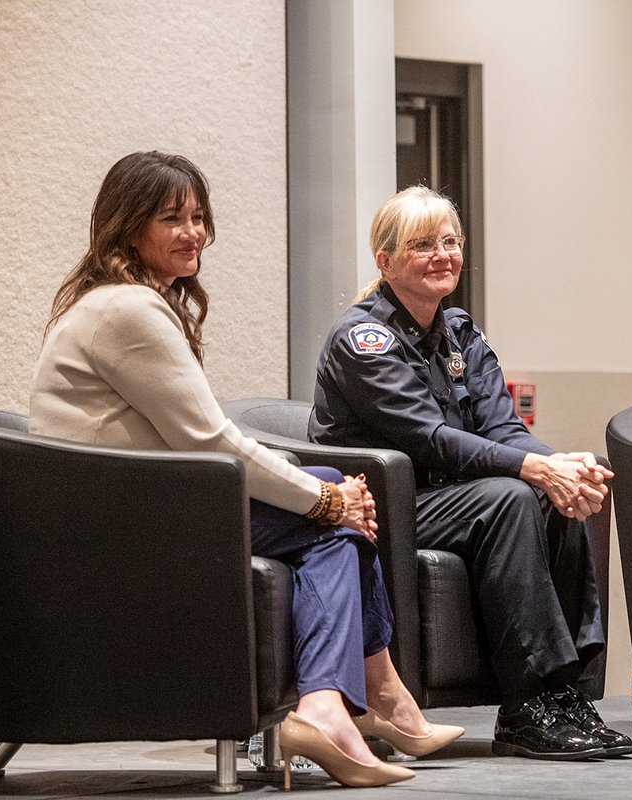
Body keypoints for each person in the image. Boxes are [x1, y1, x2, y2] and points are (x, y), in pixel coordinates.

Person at [29, 152, 462, 790]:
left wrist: (321, 492)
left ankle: (348, 705)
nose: (193, 233)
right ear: (127, 228)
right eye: (171, 218)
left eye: (198, 217)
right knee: (335, 514)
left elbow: (194, 439)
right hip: (114, 519)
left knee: (334, 506)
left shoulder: (125, 303)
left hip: (134, 499)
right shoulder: (129, 310)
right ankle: (361, 701)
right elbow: (209, 439)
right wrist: (325, 499)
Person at [309, 185, 631, 761]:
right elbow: (431, 439)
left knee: (551, 493)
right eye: (423, 245)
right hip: (388, 505)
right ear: (385, 261)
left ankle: (566, 695)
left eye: (451, 242)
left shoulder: (460, 332)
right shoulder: (362, 340)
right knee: (512, 496)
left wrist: (557, 466)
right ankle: (526, 707)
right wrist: (533, 469)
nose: (443, 255)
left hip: (454, 498)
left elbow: (502, 426)